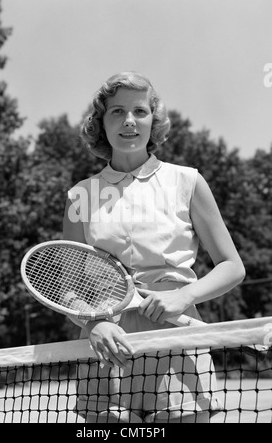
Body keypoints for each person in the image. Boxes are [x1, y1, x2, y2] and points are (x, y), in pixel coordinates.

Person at [63, 71, 246, 423]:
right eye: (117, 111)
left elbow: (232, 266)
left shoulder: (188, 181)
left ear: (153, 120)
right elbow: (69, 285)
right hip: (106, 349)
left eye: (140, 111)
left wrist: (184, 296)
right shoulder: (79, 196)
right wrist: (92, 325)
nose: (129, 121)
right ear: (101, 123)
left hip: (178, 344)